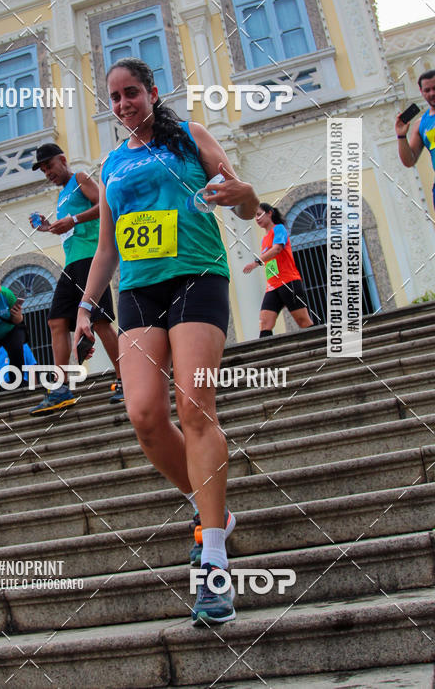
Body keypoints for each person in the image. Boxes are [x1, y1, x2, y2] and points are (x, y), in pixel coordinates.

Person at [72, 57, 258, 627]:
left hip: (198, 277)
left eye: (133, 92)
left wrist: (246, 194)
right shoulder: (112, 165)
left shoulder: (192, 138)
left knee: (196, 409)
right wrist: (85, 306)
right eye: (115, 97)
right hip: (139, 293)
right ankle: (215, 511)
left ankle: (213, 555)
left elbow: (244, 203)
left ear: (152, 93)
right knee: (145, 415)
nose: (124, 103)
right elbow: (107, 248)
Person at [29, 143, 123, 415]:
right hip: (72, 263)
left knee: (101, 321)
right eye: (43, 169)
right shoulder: (61, 197)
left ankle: (125, 378)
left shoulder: (80, 178)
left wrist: (73, 219)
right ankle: (60, 388)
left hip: (92, 259)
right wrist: (51, 227)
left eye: (49, 166)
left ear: (62, 160)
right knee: (56, 320)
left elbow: (104, 206)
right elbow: (70, 227)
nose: (48, 172)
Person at [243, 203, 313, 337]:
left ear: (269, 213)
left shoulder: (279, 229)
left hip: (288, 281)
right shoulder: (264, 239)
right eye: (255, 217)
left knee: (303, 321)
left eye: (259, 214)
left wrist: (256, 263)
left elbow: (277, 249)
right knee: (265, 323)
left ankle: (323, 347)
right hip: (273, 286)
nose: (256, 219)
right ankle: (265, 355)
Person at [395, 69, 435, 209]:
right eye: (427, 90)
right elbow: (409, 160)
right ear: (421, 91)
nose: (432, 93)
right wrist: (401, 135)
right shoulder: (421, 124)